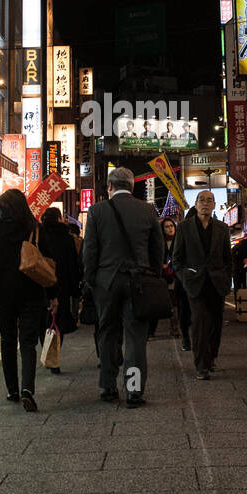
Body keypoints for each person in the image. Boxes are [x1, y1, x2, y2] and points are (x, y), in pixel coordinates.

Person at [82, 166, 164, 406]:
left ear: (109, 186)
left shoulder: (97, 211)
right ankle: (134, 390)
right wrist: (153, 276)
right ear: (132, 186)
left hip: (106, 283)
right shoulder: (147, 210)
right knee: (136, 337)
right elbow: (158, 251)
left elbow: (90, 251)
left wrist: (91, 280)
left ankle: (108, 387)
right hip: (138, 281)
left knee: (107, 333)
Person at [0, 190, 55, 410]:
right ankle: (27, 388)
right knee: (27, 342)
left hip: (5, 294)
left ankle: (12, 390)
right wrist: (53, 295)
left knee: (7, 341)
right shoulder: (34, 228)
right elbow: (49, 263)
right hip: (31, 292)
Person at [173, 191, 233, 380]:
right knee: (198, 322)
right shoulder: (184, 227)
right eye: (201, 200)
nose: (205, 204)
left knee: (215, 323)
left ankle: (212, 356)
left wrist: (226, 277)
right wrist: (185, 277)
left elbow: (228, 259)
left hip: (217, 283)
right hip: (194, 283)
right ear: (195, 204)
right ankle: (201, 366)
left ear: (214, 205)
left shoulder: (222, 228)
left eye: (209, 201)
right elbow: (177, 259)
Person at [40, 206, 81, 374]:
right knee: (58, 323)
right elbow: (73, 264)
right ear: (59, 219)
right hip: (61, 285)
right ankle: (54, 358)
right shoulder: (67, 238)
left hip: (40, 282)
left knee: (42, 321)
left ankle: (46, 351)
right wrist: (75, 288)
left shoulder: (39, 235)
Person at [148, 217, 181, 339]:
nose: (170, 229)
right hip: (160, 277)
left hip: (175, 277)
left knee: (175, 304)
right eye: (167, 227)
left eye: (171, 226)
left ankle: (175, 329)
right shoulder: (158, 242)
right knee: (157, 305)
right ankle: (151, 331)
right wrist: (160, 266)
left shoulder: (178, 241)